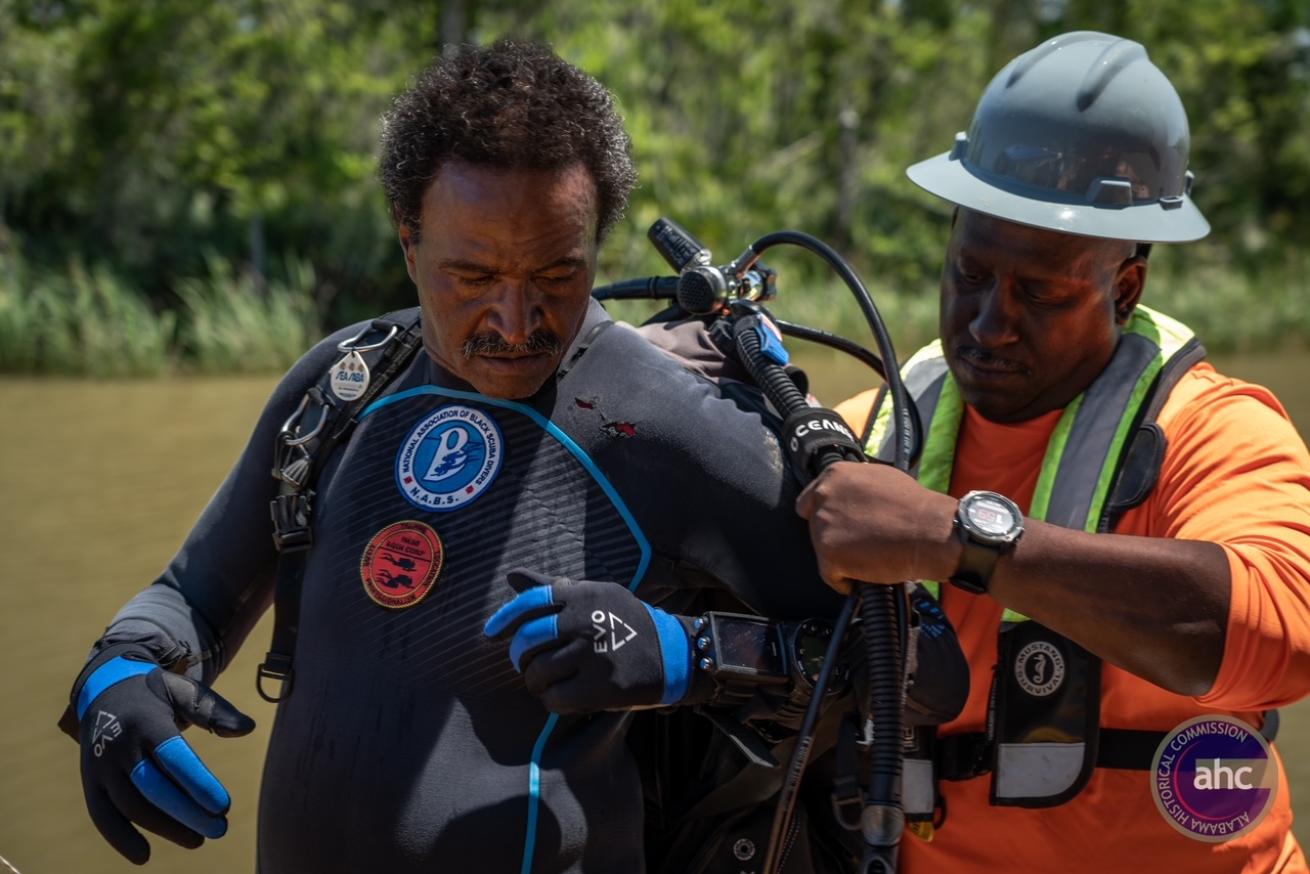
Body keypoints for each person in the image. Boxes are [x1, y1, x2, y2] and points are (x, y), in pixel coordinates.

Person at [57, 40, 963, 874]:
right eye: (475, 276)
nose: (517, 321)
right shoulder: (340, 385)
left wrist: (689, 653)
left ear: (597, 244)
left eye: (557, 275)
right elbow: (192, 596)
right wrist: (121, 672)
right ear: (410, 244)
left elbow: (927, 663)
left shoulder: (668, 425)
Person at [799, 31, 1310, 873]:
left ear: (1126, 285)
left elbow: (1283, 637)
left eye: (1042, 292)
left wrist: (959, 538)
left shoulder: (1215, 430)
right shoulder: (870, 437)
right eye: (969, 273)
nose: (989, 322)